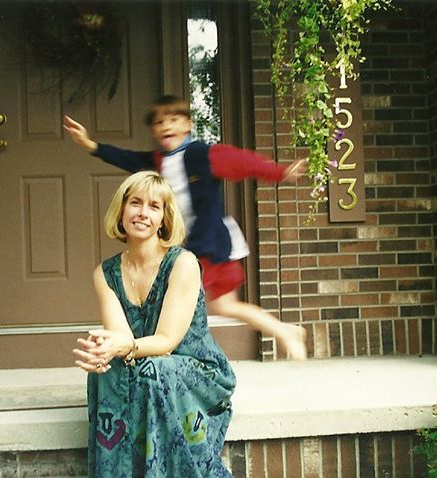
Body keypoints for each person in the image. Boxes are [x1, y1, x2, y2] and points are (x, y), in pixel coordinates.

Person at [64, 95, 308, 360]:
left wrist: (280, 172)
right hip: (188, 245)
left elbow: (243, 162)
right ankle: (282, 331)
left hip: (210, 243)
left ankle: (280, 333)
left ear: (187, 125)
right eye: (159, 122)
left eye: (173, 119)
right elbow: (127, 159)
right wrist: (91, 145)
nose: (166, 125)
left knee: (209, 303)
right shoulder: (158, 160)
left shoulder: (203, 154)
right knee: (213, 304)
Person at [73, 170, 236, 477]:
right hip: (145, 365)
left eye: (154, 206)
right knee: (105, 372)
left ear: (164, 218)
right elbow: (121, 338)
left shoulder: (182, 263)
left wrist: (126, 346)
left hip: (197, 370)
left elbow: (166, 341)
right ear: (121, 211)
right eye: (135, 203)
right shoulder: (105, 273)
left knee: (154, 369)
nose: (143, 213)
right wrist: (102, 351)